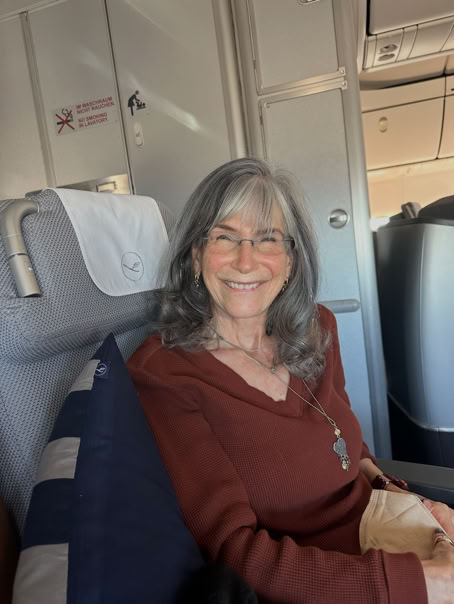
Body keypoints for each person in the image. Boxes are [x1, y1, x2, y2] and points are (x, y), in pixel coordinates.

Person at [128, 158, 454, 603]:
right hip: (327, 587)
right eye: (225, 237)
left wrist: (410, 502)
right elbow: (233, 552)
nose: (246, 260)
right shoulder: (165, 376)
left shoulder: (317, 329)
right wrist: (422, 581)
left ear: (290, 260)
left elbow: (349, 446)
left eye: (267, 239)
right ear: (196, 255)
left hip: (389, 532)